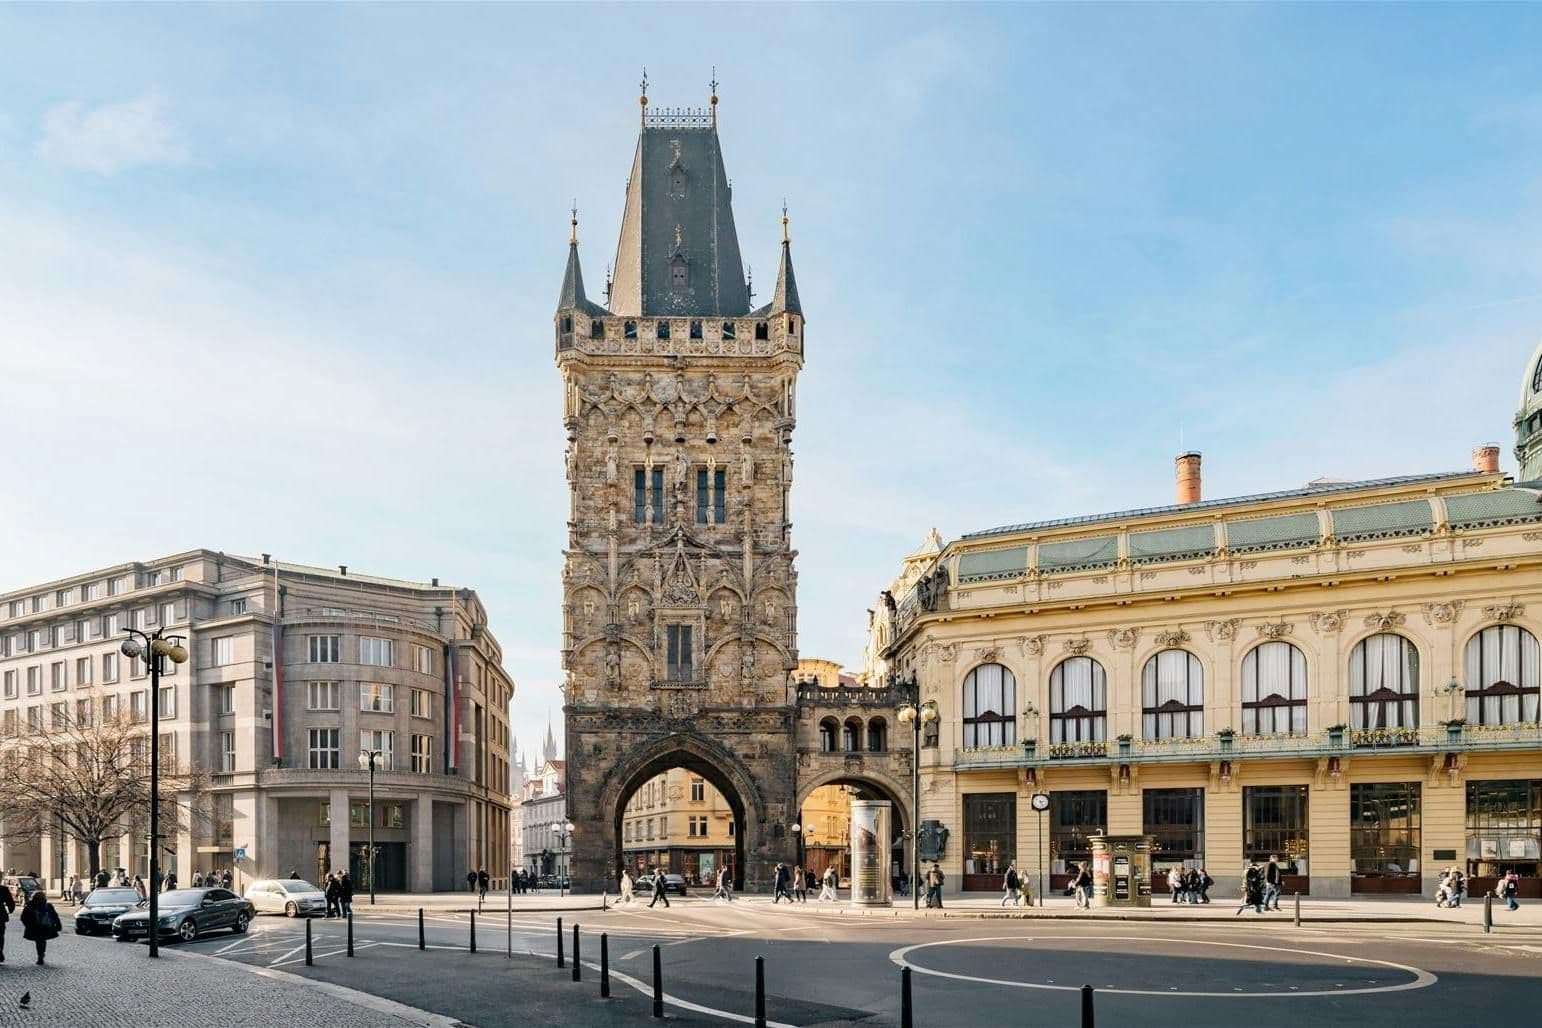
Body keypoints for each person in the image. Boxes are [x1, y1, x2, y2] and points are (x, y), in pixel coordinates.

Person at [20, 891, 60, 966]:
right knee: (42, 940)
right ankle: (41, 954)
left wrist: (28, 925)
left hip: (35, 927)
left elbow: (23, 917)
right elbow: (55, 916)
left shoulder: (30, 905)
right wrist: (58, 925)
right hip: (45, 927)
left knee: (38, 941)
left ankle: (40, 955)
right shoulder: (48, 905)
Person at [0, 881, 14, 963]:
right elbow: (10, 902)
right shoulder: (3, 889)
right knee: (0, 935)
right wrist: (10, 910)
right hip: (0, 914)